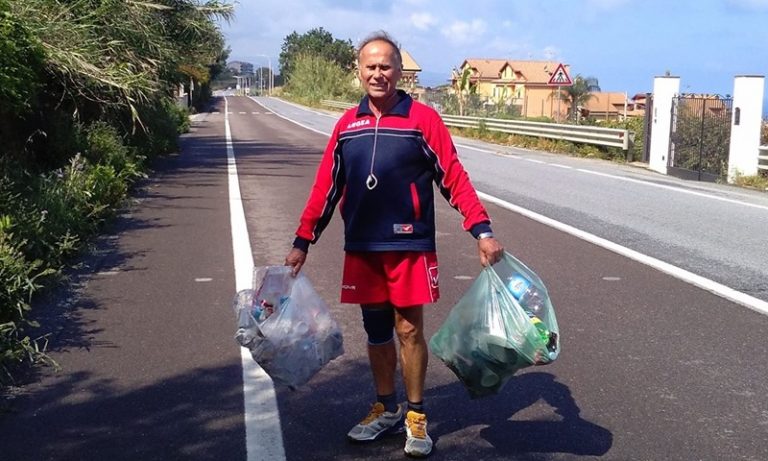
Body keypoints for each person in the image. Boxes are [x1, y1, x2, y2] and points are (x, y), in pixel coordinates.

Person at [284, 30, 503, 458]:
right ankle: (385, 407)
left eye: (386, 66)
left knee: (408, 329)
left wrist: (482, 229)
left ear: (399, 71)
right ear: (359, 71)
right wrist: (302, 240)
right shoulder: (347, 126)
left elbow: (452, 176)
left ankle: (416, 416)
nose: (378, 73)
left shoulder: (423, 120)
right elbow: (325, 188)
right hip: (364, 246)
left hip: (409, 246)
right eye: (371, 66)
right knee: (377, 332)